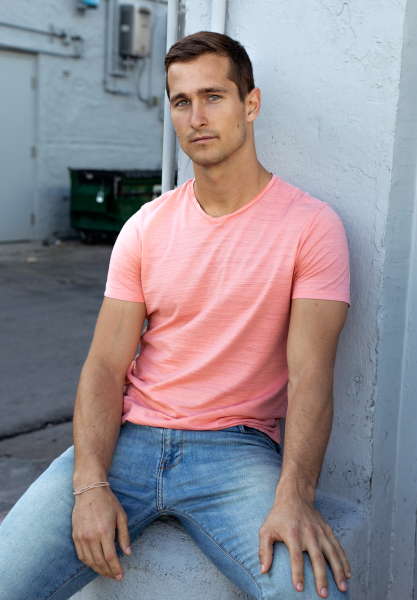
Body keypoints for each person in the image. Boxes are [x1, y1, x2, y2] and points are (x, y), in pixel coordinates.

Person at [0, 32, 352, 600]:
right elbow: (104, 365)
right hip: (128, 442)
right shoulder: (145, 226)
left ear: (251, 104)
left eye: (213, 96)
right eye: (181, 101)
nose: (197, 117)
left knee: (313, 591)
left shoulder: (311, 227)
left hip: (236, 452)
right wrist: (90, 484)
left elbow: (311, 373)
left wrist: (295, 495)